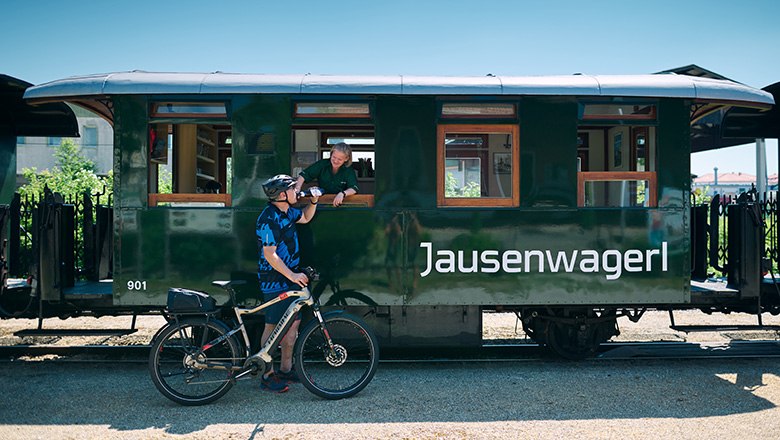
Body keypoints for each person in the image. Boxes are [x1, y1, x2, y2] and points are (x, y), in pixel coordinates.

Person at [256, 174, 321, 393]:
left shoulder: (287, 212)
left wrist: (313, 201)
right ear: (283, 195)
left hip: (291, 276)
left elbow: (305, 218)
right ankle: (266, 374)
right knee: (273, 326)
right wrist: (292, 276)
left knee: (292, 326)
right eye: (293, 189)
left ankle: (286, 369)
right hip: (274, 279)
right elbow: (270, 255)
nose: (297, 192)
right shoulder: (268, 219)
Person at [295, 142, 359, 207]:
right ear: (331, 154)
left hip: (341, 203)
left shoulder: (348, 170)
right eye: (334, 157)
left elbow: (354, 188)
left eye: (339, 159)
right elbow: (303, 175)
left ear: (346, 159)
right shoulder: (322, 164)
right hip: (321, 202)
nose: (336, 161)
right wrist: (297, 189)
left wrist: (342, 194)